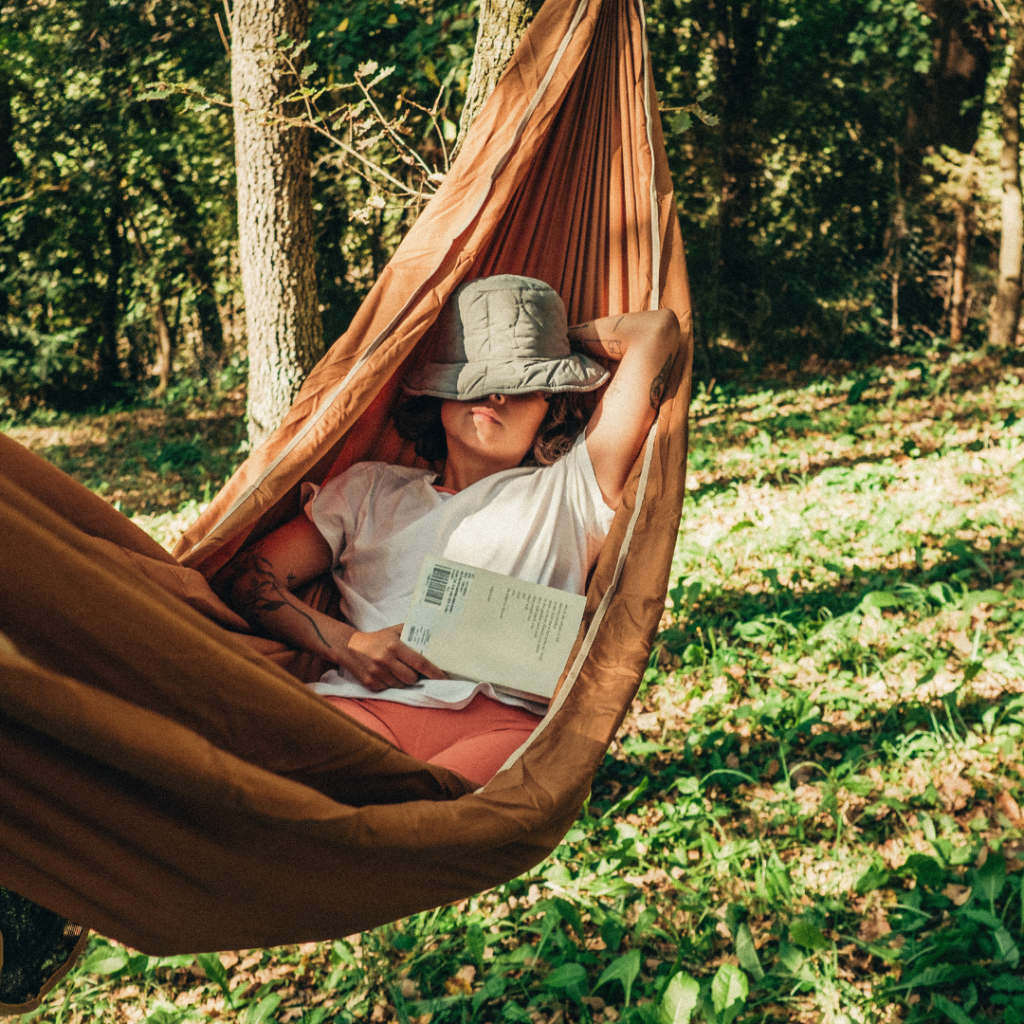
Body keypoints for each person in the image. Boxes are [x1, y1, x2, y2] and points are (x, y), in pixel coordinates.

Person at [229, 275, 680, 784]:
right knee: (263, 779)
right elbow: (249, 576)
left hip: (502, 728)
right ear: (439, 395)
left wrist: (547, 341)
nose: (495, 392)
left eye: (521, 382)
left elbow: (657, 331)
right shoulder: (369, 490)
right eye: (475, 373)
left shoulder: (572, 488)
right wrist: (348, 645)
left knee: (422, 819)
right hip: (363, 707)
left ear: (551, 406)